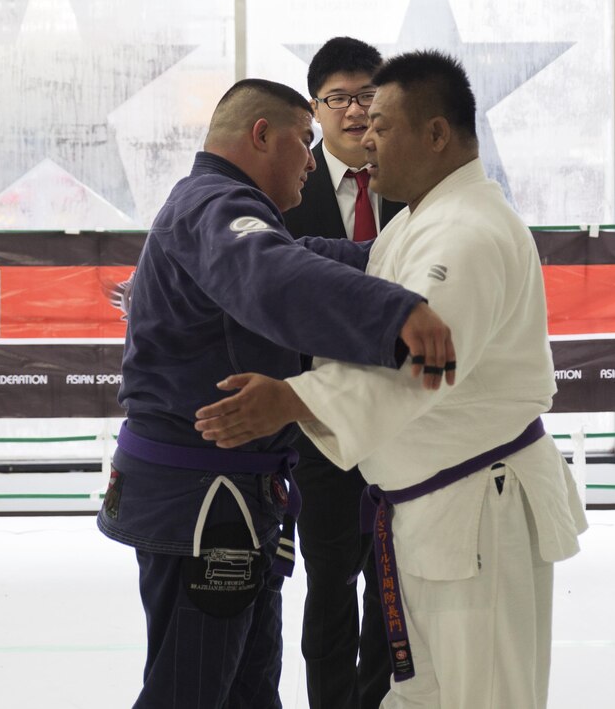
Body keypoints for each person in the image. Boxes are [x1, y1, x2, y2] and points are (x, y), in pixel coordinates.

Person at [195, 52, 588, 709]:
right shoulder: (413, 222)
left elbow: (419, 368)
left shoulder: (468, 233)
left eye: (380, 122)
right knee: (418, 696)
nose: (364, 136)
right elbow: (360, 318)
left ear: (436, 134)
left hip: (478, 508)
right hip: (430, 509)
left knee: (482, 696)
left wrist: (292, 399)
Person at [97, 77, 456, 709]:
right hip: (203, 504)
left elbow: (298, 253)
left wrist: (398, 257)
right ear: (262, 136)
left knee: (248, 691)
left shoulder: (222, 209)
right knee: (192, 692)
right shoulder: (214, 206)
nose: (313, 161)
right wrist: (394, 312)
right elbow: (273, 274)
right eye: (305, 140)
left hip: (232, 498)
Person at [283, 37, 404, 709]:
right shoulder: (287, 191)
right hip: (320, 423)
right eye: (339, 98)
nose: (356, 112)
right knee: (329, 583)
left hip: (400, 417)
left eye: (368, 96)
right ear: (315, 108)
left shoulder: (413, 186)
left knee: (395, 583)